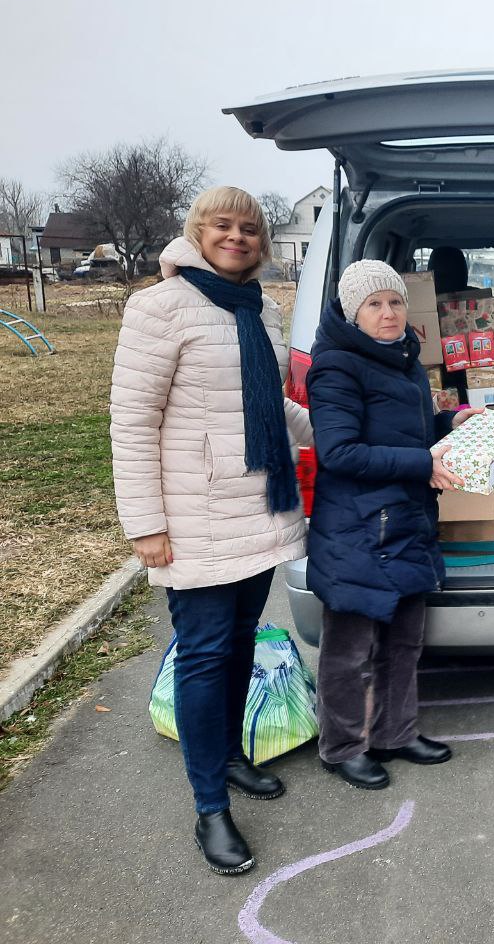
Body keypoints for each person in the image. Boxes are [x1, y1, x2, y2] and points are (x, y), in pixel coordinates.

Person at [111, 186, 310, 875]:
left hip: (258, 507)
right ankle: (210, 809)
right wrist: (145, 525)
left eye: (249, 229)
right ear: (197, 232)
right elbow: (132, 422)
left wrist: (340, 435)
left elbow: (267, 403)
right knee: (202, 653)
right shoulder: (160, 307)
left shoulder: (260, 308)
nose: (237, 237)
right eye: (222, 225)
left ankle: (228, 757)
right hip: (193, 515)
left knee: (237, 644)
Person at [306, 261, 483, 790]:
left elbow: (406, 434)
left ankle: (395, 733)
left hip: (405, 518)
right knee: (349, 651)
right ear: (352, 313)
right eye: (374, 304)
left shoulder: (404, 357)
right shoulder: (336, 367)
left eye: (396, 301)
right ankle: (341, 747)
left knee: (404, 640)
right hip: (358, 528)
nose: (388, 313)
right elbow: (339, 452)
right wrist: (422, 463)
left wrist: (448, 423)